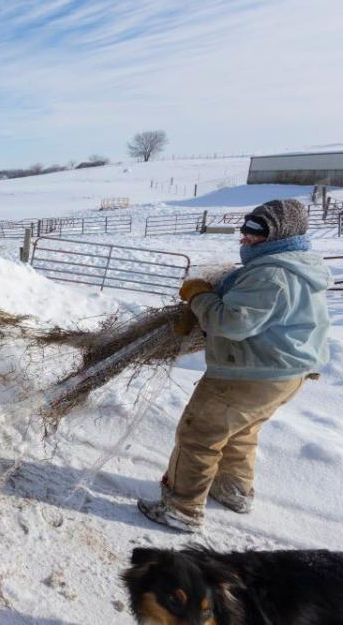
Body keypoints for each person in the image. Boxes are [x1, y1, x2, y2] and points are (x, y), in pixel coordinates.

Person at [138, 199, 332, 532]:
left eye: (256, 230)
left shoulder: (270, 274)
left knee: (199, 435)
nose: (244, 236)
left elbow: (231, 323)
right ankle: (233, 490)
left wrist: (198, 296)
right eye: (245, 227)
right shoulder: (299, 266)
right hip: (286, 374)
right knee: (241, 432)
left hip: (248, 375)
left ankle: (182, 508)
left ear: (279, 233)